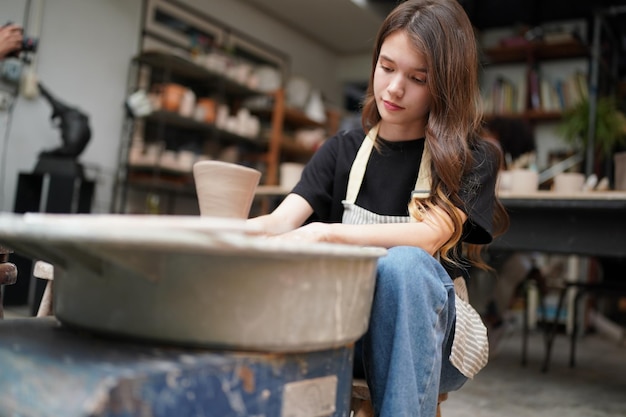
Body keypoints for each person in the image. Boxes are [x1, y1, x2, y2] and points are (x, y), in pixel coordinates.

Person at [248, 1, 509, 416]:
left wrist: (327, 232)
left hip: (437, 339)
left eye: (417, 78)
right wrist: (217, 234)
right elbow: (280, 221)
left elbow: (428, 236)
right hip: (350, 329)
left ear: (445, 85)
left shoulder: (473, 157)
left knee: (403, 266)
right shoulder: (341, 150)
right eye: (386, 68)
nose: (393, 89)